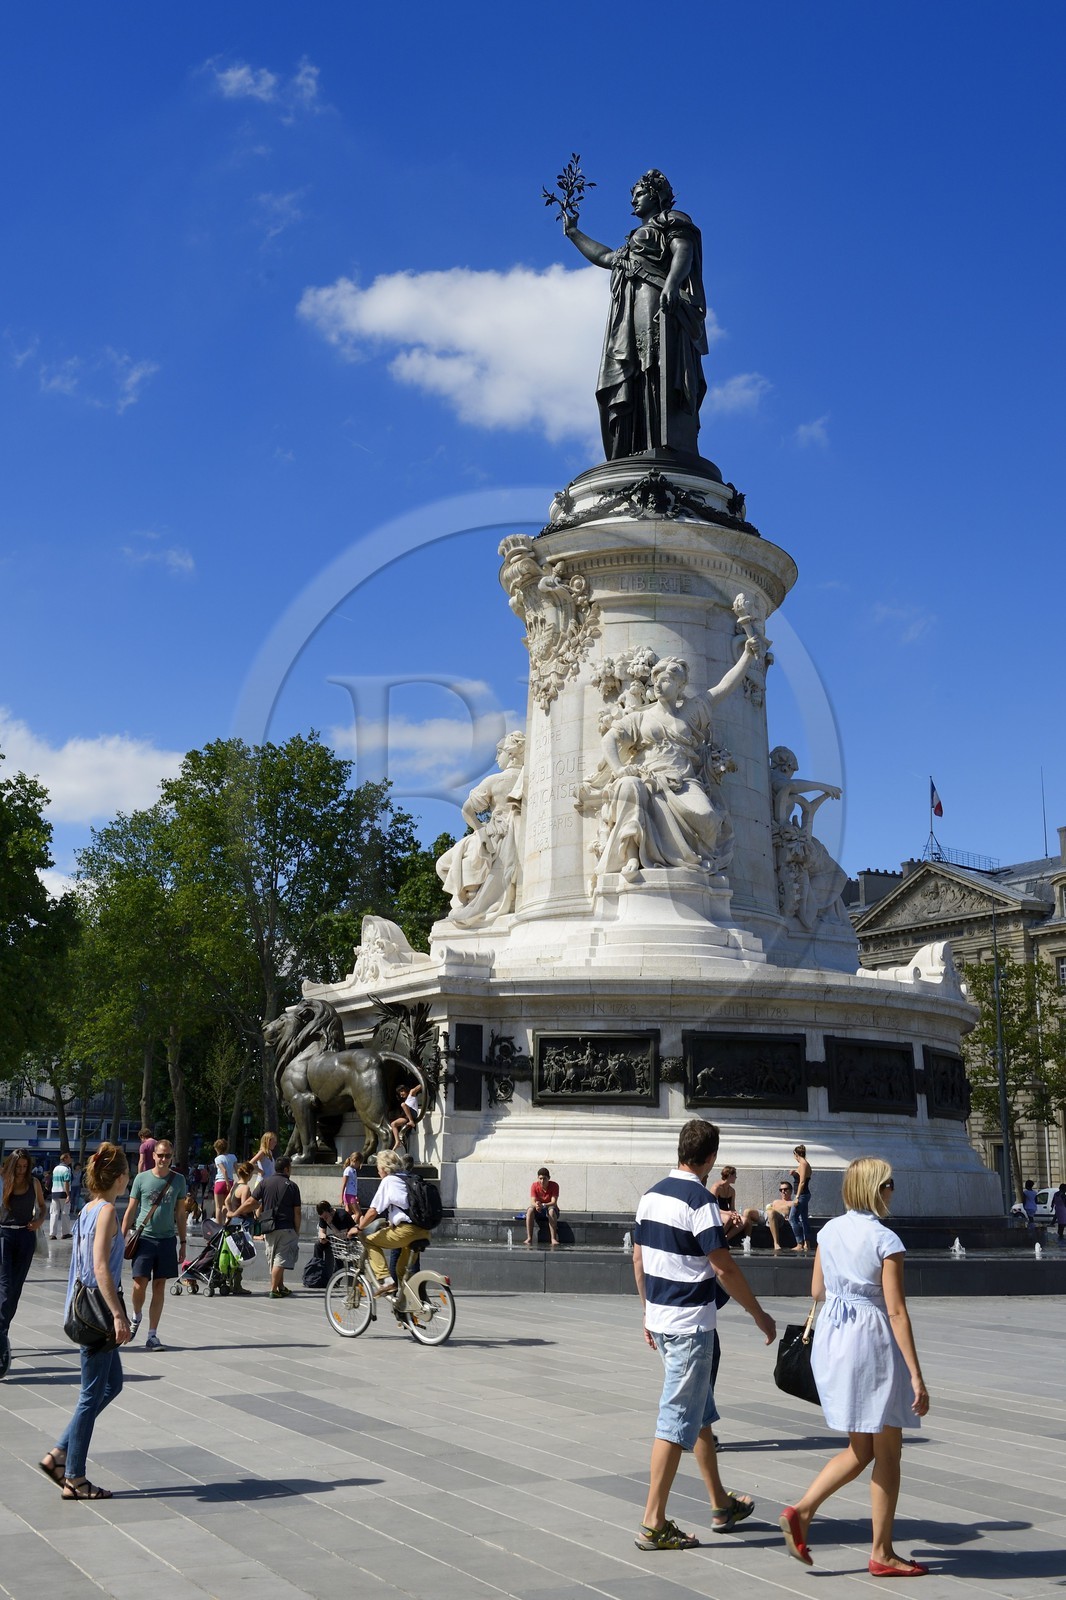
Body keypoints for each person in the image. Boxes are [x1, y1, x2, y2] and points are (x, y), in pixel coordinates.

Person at [779, 1157, 930, 1576]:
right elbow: (897, 1312)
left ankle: (802, 1510)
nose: (892, 1190)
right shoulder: (886, 1240)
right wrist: (916, 1375)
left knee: (859, 1448)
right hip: (872, 1344)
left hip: (836, 1339)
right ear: (876, 1190)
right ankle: (882, 1553)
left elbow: (816, 1290)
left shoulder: (829, 1231)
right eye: (889, 1183)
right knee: (888, 1453)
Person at [632, 1118, 777, 1551]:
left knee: (698, 1413)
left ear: (681, 1150)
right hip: (690, 1326)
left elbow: (638, 1260)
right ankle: (652, 1523)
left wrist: (646, 1312)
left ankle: (720, 1503)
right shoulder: (699, 1200)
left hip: (661, 1318)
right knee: (677, 1419)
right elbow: (722, 1266)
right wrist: (759, 1314)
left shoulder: (650, 1195)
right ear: (711, 1158)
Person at [561, 169, 708, 460]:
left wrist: (672, 283)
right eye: (632, 197)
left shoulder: (671, 220)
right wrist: (574, 233)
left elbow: (683, 251)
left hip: (656, 301)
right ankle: (636, 442)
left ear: (657, 194)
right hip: (628, 310)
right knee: (635, 370)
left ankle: (664, 439)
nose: (633, 202)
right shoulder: (630, 243)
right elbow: (605, 258)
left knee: (654, 363)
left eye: (639, 194)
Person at [594, 648, 759, 883]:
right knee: (630, 787)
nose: (659, 686)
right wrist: (620, 768)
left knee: (707, 816)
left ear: (680, 685)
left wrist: (747, 655)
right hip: (649, 778)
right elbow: (609, 739)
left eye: (666, 681)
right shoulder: (641, 717)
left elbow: (724, 687)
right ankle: (631, 856)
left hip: (683, 781)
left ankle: (696, 863)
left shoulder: (692, 712)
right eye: (656, 681)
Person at [39, 1142, 132, 1498]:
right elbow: (98, 1267)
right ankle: (73, 1476)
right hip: (97, 1313)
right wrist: (118, 1315)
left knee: (111, 1385)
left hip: (81, 1308)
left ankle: (60, 1453)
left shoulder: (87, 1209)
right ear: (120, 1178)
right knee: (90, 1395)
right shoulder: (106, 1210)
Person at [436, 731, 526, 927]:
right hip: (519, 835)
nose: (496, 757)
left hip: (494, 835)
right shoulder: (532, 778)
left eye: (499, 752)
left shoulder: (494, 781)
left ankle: (469, 901)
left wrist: (480, 831)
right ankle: (472, 899)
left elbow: (467, 810)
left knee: (443, 864)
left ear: (511, 753)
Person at [121, 1139, 187, 1350]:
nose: (164, 1159)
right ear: (154, 1156)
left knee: (160, 1285)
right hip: (144, 1238)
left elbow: (180, 1213)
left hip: (167, 1239)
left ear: (172, 1157)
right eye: (160, 1155)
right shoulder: (141, 1179)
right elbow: (131, 1210)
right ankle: (136, 1315)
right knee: (139, 1283)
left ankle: (152, 1334)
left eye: (168, 1155)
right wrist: (120, 1237)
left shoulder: (179, 1180)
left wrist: (183, 1242)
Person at [352, 1149, 428, 1295]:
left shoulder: (388, 1181)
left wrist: (359, 1227)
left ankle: (386, 1281)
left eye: (378, 1168)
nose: (378, 1172)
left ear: (383, 1168)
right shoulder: (408, 1177)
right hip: (423, 1231)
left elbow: (373, 1211)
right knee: (401, 1270)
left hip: (406, 1231)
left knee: (369, 1240)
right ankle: (412, 1308)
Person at [0, 1148, 47, 1378]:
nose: (21, 1171)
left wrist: (39, 1220)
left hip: (25, 1238)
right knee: (5, 1288)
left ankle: (2, 1335)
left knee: (15, 1291)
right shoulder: (2, 1180)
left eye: (24, 1167)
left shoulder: (34, 1183)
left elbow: (43, 1205)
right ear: (11, 1166)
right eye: (17, 1167)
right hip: (3, 1237)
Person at [257, 1155, 302, 1298]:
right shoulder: (292, 1186)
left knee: (274, 1258)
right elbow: (297, 1212)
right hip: (286, 1227)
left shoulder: (264, 1183)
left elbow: (254, 1201)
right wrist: (297, 1229)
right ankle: (273, 1289)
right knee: (280, 1259)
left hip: (269, 1227)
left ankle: (281, 1286)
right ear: (287, 1169)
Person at [709, 1166, 760, 1243]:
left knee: (743, 1220)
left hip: (727, 1213)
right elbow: (712, 1207)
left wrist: (735, 1214)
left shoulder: (732, 1191)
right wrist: (729, 1213)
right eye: (735, 1175)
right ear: (730, 1175)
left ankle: (725, 1239)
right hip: (717, 1212)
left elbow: (732, 1208)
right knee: (728, 1218)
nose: (736, 1177)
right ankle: (718, 1239)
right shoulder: (716, 1188)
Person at [525, 1167, 561, 1247]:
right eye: (540, 1178)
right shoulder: (534, 1186)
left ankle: (553, 1238)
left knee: (551, 1211)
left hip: (550, 1208)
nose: (542, 1181)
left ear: (549, 1178)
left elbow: (553, 1202)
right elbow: (532, 1201)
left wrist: (543, 1205)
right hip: (539, 1209)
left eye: (544, 1179)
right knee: (530, 1210)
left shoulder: (554, 1185)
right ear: (538, 1178)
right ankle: (529, 1237)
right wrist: (537, 1205)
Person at [790, 1145, 814, 1253]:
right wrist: (794, 1172)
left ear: (796, 1154)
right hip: (804, 1195)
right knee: (804, 1219)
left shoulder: (803, 1164)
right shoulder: (804, 1164)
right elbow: (801, 1175)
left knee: (792, 1217)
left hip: (802, 1195)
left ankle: (799, 1243)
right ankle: (807, 1244)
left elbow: (802, 1181)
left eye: (794, 1155)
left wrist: (797, 1197)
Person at [765, 1182, 797, 1251]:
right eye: (781, 1190)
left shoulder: (792, 1203)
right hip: (767, 1215)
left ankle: (776, 1243)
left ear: (791, 1191)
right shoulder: (775, 1201)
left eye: (785, 1189)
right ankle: (746, 1241)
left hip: (780, 1218)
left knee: (771, 1212)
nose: (783, 1191)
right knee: (748, 1212)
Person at [49, 1151, 73, 1239]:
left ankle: (52, 1233)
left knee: (54, 1213)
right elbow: (66, 1182)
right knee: (65, 1213)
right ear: (65, 1159)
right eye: (69, 1158)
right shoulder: (66, 1169)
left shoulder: (56, 1168)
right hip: (63, 1192)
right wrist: (68, 1195)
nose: (70, 1159)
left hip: (55, 1192)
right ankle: (65, 1232)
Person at [390, 1083, 422, 1150]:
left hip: (413, 1113)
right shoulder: (406, 1100)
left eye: (401, 1091)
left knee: (403, 1105)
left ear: (405, 1089)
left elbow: (422, 1085)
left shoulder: (411, 1093)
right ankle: (397, 1141)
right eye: (399, 1093)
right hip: (406, 1115)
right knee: (393, 1124)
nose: (401, 1095)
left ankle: (411, 1121)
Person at [212, 1138, 236, 1219]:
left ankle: (218, 1226)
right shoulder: (233, 1157)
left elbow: (224, 1171)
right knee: (228, 1204)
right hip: (231, 1181)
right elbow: (237, 1170)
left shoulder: (218, 1158)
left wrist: (226, 1183)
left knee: (218, 1207)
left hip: (220, 1182)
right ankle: (227, 1224)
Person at [340, 1152, 363, 1218]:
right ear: (355, 1161)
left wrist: (355, 1195)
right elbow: (344, 1184)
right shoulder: (348, 1170)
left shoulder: (353, 1170)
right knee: (358, 1213)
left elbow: (353, 1185)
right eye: (359, 1163)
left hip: (352, 1194)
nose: (359, 1166)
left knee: (349, 1214)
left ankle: (349, 1227)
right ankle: (354, 1228)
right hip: (349, 1195)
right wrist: (341, 1197)